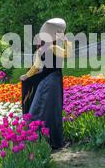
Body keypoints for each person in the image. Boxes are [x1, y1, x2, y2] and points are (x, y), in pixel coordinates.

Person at [20, 18, 73, 150]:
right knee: (49, 110)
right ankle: (46, 139)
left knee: (45, 109)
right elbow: (36, 67)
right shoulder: (46, 50)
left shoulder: (50, 49)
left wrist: (66, 41)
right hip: (51, 82)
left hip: (49, 82)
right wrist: (26, 76)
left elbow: (68, 54)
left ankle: (43, 139)